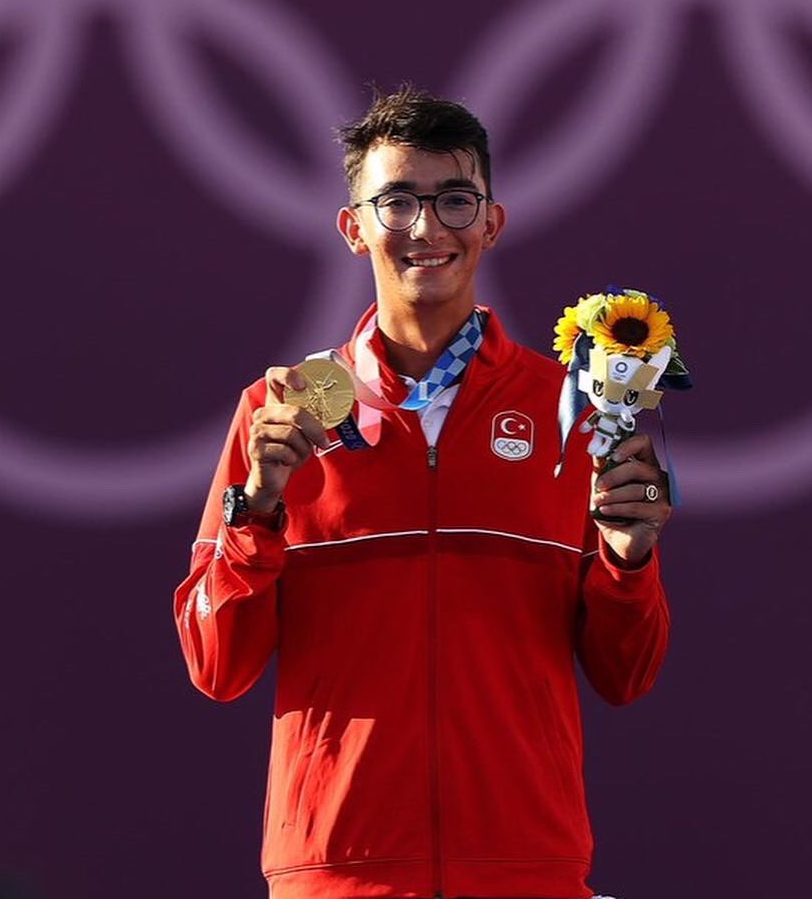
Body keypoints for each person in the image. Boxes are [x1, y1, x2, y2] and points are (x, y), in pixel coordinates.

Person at [174, 85, 673, 899]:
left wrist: (629, 560)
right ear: (353, 226)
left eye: (452, 199)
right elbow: (215, 665)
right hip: (340, 872)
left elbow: (627, 673)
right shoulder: (284, 412)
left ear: (490, 221)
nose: (425, 227)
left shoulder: (573, 410)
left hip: (525, 867)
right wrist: (257, 508)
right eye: (396, 200)